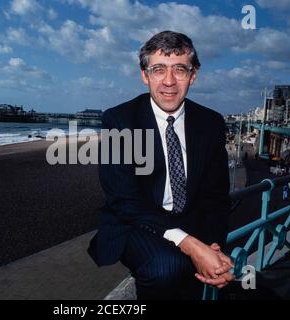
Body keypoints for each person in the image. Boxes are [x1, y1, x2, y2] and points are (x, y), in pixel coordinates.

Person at [88, 31, 234, 300]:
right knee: (166, 267)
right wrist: (190, 245)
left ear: (193, 74)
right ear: (145, 75)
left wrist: (213, 246)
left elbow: (216, 196)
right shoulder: (120, 121)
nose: (169, 81)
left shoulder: (210, 123)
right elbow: (123, 200)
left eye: (179, 69)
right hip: (135, 220)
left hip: (189, 218)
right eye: (158, 70)